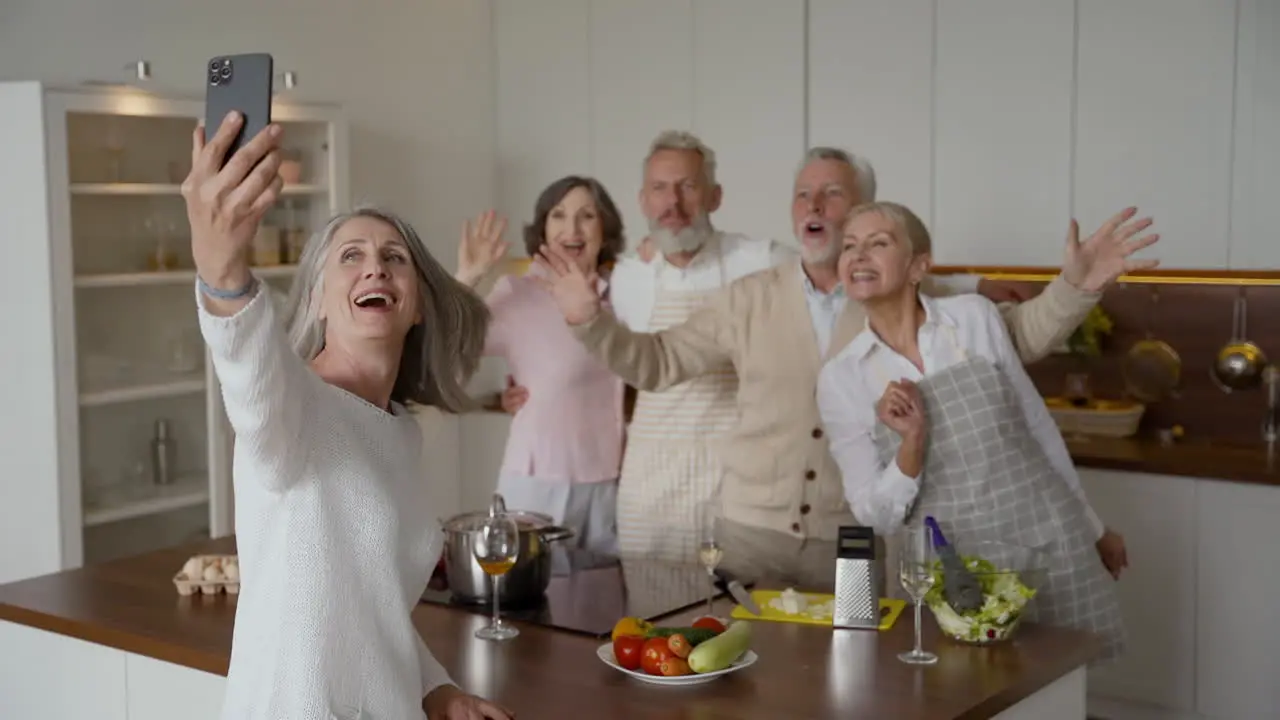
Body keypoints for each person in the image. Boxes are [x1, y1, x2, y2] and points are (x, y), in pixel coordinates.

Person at [532, 144, 1156, 592]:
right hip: (749, 537)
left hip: (852, 542)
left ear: (864, 211)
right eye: (804, 192)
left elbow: (1017, 333)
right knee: (743, 687)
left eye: (834, 193)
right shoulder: (750, 296)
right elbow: (659, 363)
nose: (815, 203)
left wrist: (1074, 286)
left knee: (850, 689)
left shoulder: (906, 300)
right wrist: (590, 321)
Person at [184, 111, 511, 720]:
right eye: (351, 256)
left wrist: (438, 691)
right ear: (319, 299)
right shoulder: (293, 408)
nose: (376, 267)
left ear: (415, 307)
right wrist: (222, 275)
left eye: (395, 258)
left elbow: (373, 612)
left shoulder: (400, 432)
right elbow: (246, 365)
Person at [816, 202, 1154, 662]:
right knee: (954, 699)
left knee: (1056, 692)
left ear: (919, 265)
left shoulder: (973, 318)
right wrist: (911, 447)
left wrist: (1091, 526)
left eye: (878, 243)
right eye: (850, 246)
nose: (858, 255)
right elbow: (877, 515)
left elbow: (1036, 429)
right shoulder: (844, 377)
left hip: (1043, 539)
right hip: (945, 568)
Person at [455, 176, 628, 556]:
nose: (573, 228)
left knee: (604, 607)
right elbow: (444, 346)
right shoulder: (518, 295)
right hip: (539, 483)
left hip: (612, 482)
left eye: (587, 216)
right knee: (535, 603)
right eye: (559, 215)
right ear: (543, 230)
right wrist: (468, 277)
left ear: (605, 229)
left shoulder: (624, 294)